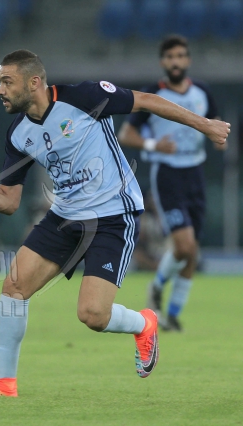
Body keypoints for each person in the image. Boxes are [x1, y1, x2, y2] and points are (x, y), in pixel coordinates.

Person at [0, 50, 229, 397]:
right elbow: (9, 201)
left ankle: (145, 323)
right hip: (64, 217)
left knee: (93, 315)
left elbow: (146, 101)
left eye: (7, 82)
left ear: (34, 82)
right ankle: (4, 385)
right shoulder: (18, 133)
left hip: (112, 215)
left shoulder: (85, 97)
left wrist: (205, 125)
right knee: (13, 288)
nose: (0, 90)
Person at [117, 35, 223, 332]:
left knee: (192, 251)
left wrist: (220, 138)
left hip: (195, 173)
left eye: (180, 56)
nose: (175, 62)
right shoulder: (153, 94)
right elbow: (126, 135)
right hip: (168, 175)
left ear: (187, 60)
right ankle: (157, 285)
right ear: (163, 62)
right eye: (170, 57)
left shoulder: (202, 91)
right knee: (185, 245)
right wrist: (154, 145)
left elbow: (214, 122)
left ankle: (173, 315)